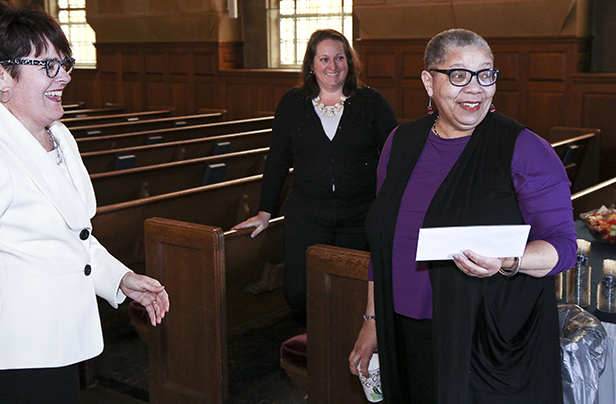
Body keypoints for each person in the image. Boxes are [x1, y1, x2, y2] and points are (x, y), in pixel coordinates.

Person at [0, 0, 170, 404]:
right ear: (1, 75)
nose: (63, 76)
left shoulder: (57, 135)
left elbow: (73, 233)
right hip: (8, 361)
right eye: (47, 65)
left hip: (54, 346)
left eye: (65, 63)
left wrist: (119, 279)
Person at [348, 28, 577, 403]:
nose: (475, 89)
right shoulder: (400, 143)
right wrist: (372, 322)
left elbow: (563, 247)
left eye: (486, 75)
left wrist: (507, 259)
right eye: (458, 76)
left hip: (488, 338)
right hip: (404, 332)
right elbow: (382, 244)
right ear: (428, 81)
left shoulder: (523, 148)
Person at [233, 29, 398, 315]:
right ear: (311, 64)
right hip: (307, 215)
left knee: (354, 293)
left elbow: (395, 158)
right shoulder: (292, 103)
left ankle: (348, 349)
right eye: (324, 59)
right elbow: (277, 160)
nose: (332, 67)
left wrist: (394, 208)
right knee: (300, 292)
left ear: (350, 62)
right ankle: (316, 343)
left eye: (339, 58)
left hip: (358, 216)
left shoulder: (372, 102)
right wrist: (264, 211)